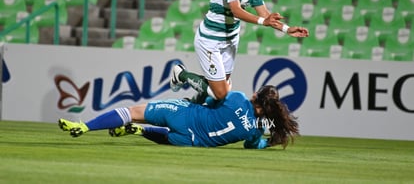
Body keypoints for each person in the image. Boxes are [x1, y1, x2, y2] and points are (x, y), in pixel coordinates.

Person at [171, 0, 309, 103]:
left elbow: (265, 14)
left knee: (222, 87)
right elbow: (236, 11)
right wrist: (262, 22)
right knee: (220, 93)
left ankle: (191, 105)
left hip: (230, 40)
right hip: (210, 40)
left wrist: (287, 29)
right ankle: (181, 74)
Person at [58, 85, 299, 149]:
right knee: (164, 136)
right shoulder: (254, 130)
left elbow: (207, 100)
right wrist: (268, 141)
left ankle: (85, 126)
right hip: (192, 142)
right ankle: (141, 132)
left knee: (133, 112)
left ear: (256, 94)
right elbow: (252, 145)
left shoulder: (236, 98)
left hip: (185, 114)